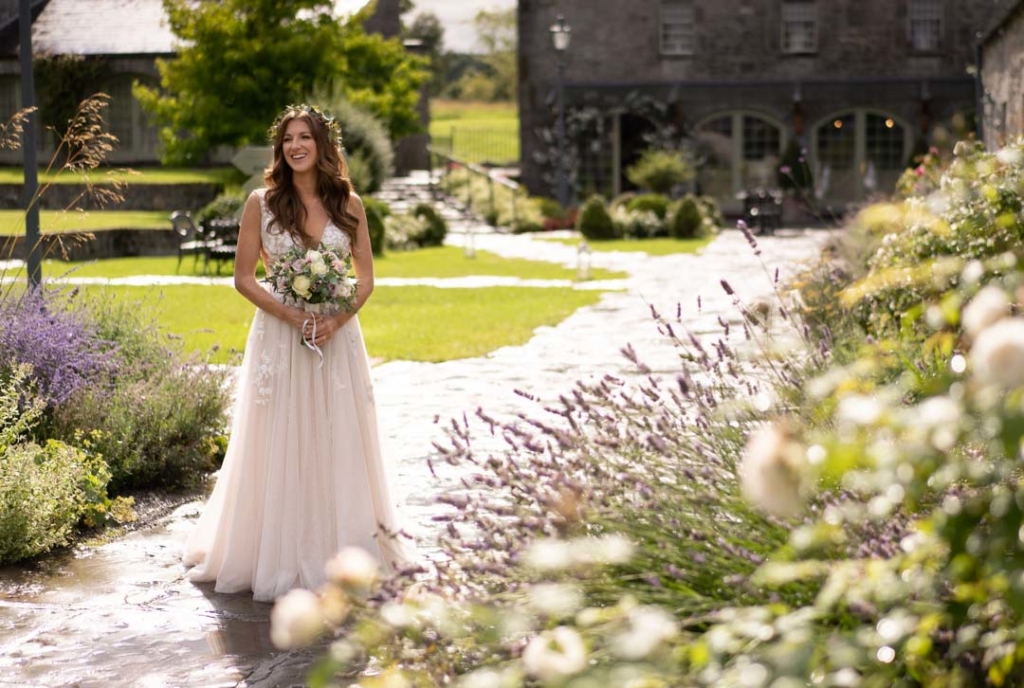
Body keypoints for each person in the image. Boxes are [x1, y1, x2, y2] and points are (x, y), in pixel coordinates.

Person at [183, 104, 409, 602]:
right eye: (288, 139)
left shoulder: (348, 203)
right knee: (278, 438)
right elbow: (243, 278)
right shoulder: (261, 203)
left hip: (336, 335)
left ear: (323, 145)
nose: (295, 146)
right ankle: (274, 552)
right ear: (280, 148)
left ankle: (343, 552)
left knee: (336, 435)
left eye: (305, 137)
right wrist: (294, 318)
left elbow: (366, 278)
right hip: (280, 337)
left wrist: (335, 318)